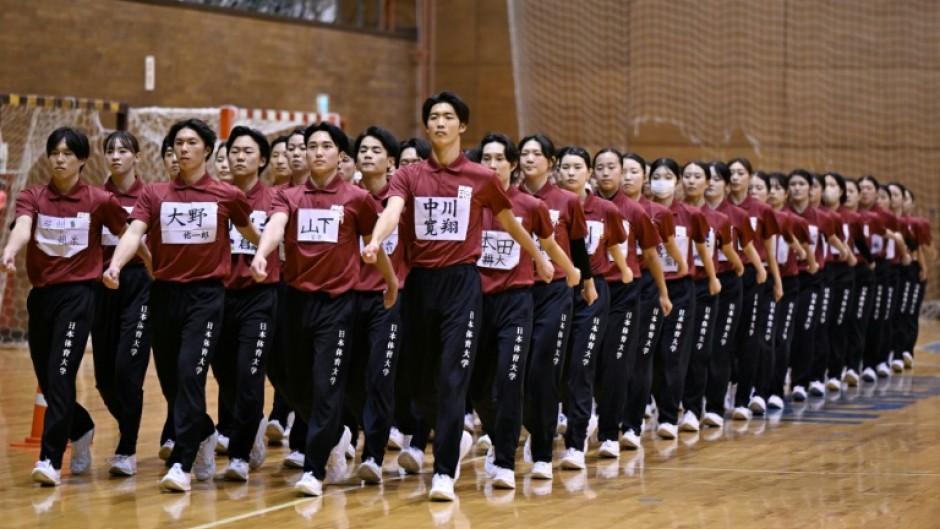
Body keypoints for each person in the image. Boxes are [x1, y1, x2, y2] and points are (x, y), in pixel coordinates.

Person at [361, 92, 553, 501]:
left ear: (462, 126)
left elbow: (511, 223)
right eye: (434, 116)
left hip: (462, 286)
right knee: (416, 383)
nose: (440, 123)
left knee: (453, 378)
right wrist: (376, 240)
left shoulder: (481, 178)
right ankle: (456, 435)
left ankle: (444, 472)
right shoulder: (409, 175)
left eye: (448, 116)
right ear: (426, 125)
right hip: (419, 284)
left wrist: (538, 257)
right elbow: (392, 211)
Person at [104, 118, 260, 492]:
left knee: (191, 374)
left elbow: (249, 231)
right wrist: (115, 264)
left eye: (191, 142)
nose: (183, 148)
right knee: (172, 382)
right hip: (164, 295)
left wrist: (272, 251)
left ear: (206, 149)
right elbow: (134, 233)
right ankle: (202, 431)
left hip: (206, 297)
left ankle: (181, 463)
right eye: (178, 143)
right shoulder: (155, 194)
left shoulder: (227, 195)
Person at [251, 121, 398, 497]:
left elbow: (374, 244)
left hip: (337, 307)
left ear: (340, 155)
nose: (317, 152)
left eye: (326, 146)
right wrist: (262, 253)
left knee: (326, 385)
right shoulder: (289, 197)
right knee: (295, 385)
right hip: (295, 302)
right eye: (312, 146)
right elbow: (276, 225)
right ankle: (335, 435)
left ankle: (314, 470)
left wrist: (391, 281)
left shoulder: (356, 199)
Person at [1, 127, 128, 486]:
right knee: (48, 379)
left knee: (60, 375)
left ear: (82, 159)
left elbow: (129, 234)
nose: (60, 159)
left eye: (68, 153)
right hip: (42, 298)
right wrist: (10, 250)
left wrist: (134, 265)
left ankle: (50, 460)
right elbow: (23, 226)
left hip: (79, 297)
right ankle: (82, 426)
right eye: (55, 152)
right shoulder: (33, 196)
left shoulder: (99, 200)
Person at [468, 132, 579, 489]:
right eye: (486, 158)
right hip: (476, 303)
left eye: (500, 158)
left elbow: (548, 244)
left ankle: (513, 459)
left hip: (517, 302)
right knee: (478, 388)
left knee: (514, 379)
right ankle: (503, 436)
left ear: (512, 164)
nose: (492, 165)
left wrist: (572, 271)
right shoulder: (470, 203)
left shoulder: (531, 206)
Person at [515, 133, 593, 480]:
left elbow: (578, 247)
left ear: (550, 162)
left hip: (555, 291)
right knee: (514, 374)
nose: (529, 158)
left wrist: (587, 282)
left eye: (537, 153)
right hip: (514, 290)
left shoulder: (567, 201)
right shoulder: (507, 199)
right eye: (525, 153)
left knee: (544, 371)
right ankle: (534, 428)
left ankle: (544, 452)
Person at [211, 126, 278, 481]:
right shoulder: (213, 200)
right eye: (233, 151)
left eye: (247, 151)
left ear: (262, 159)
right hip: (219, 297)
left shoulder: (276, 201)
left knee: (250, 375)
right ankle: (252, 425)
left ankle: (239, 454)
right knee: (226, 377)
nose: (238, 157)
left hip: (259, 297)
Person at [555, 146, 629, 469]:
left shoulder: (606, 210)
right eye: (566, 167)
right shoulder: (549, 205)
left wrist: (624, 270)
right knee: (554, 368)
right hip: (555, 290)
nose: (571, 172)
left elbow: (613, 242)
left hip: (592, 292)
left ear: (588, 173)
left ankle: (576, 442)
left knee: (580, 366)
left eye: (578, 167)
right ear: (557, 171)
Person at [592, 148, 667, 457]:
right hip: (590, 290)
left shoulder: (635, 212)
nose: (606, 172)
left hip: (625, 292)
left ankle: (617, 431)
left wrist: (663, 293)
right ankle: (594, 417)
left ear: (622, 172)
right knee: (590, 364)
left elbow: (651, 255)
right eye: (600, 167)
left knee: (619, 362)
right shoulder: (583, 208)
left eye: (612, 167)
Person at [346, 125, 408, 485]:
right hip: (347, 299)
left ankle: (373, 453)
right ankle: (353, 432)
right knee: (350, 380)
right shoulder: (348, 198)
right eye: (363, 150)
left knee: (380, 375)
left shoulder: (402, 202)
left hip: (389, 299)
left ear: (391, 161)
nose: (367, 155)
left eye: (376, 150)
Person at [91, 130, 153, 477]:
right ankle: (126, 425)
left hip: (140, 285)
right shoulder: (96, 197)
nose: (116, 156)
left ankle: (127, 447)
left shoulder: (150, 196)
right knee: (104, 378)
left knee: (128, 369)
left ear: (137, 157)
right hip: (102, 287)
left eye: (123, 150)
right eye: (110, 150)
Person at [646, 158, 717, 439]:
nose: (661, 182)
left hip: (681, 290)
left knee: (673, 353)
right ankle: (652, 404)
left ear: (676, 182)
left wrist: (712, 278)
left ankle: (670, 416)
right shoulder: (642, 212)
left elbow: (703, 249)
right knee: (650, 355)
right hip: (649, 288)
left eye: (667, 176)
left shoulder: (691, 215)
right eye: (656, 176)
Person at [619, 152, 682, 448]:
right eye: (623, 170)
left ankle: (632, 424)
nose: (627, 176)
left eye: (634, 171)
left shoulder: (656, 212)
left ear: (643, 176)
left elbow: (659, 254)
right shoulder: (606, 208)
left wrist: (664, 290)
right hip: (613, 286)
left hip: (646, 286)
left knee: (642, 356)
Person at [680, 161, 745, 431]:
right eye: (687, 176)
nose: (692, 181)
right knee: (684, 348)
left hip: (716, 285)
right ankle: (685, 406)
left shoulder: (721, 218)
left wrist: (738, 269)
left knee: (713, 347)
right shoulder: (674, 214)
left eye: (699, 176)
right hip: (682, 285)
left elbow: (733, 253)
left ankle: (712, 407)